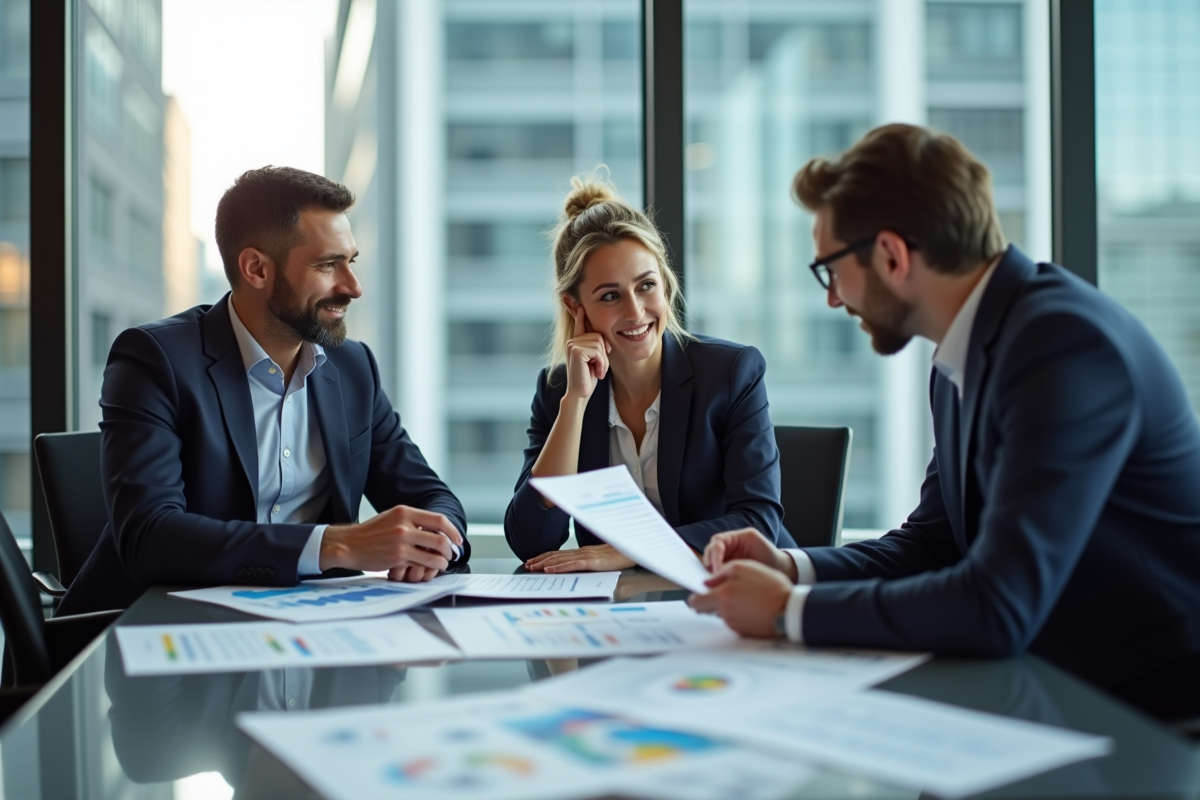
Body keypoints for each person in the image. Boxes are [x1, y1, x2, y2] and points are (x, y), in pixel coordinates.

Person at [689, 123, 1200, 721]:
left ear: (891, 255)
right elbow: (934, 542)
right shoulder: (965, 351)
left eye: (829, 269)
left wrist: (787, 612)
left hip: (1149, 710)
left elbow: (997, 604)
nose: (833, 298)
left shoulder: (1064, 345)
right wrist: (791, 567)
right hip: (1052, 680)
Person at [59, 167, 467, 615]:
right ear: (256, 268)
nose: (353, 286)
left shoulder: (353, 367)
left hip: (304, 631)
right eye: (329, 264)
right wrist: (337, 545)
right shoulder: (155, 360)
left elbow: (432, 498)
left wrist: (432, 547)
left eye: (351, 260)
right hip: (145, 634)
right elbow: (150, 538)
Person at [505, 177, 794, 573]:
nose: (636, 312)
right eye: (610, 296)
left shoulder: (730, 374)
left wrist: (633, 551)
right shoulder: (560, 391)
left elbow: (758, 524)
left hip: (736, 586)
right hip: (624, 605)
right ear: (576, 306)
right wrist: (574, 403)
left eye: (646, 286)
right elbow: (531, 541)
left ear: (665, 282)